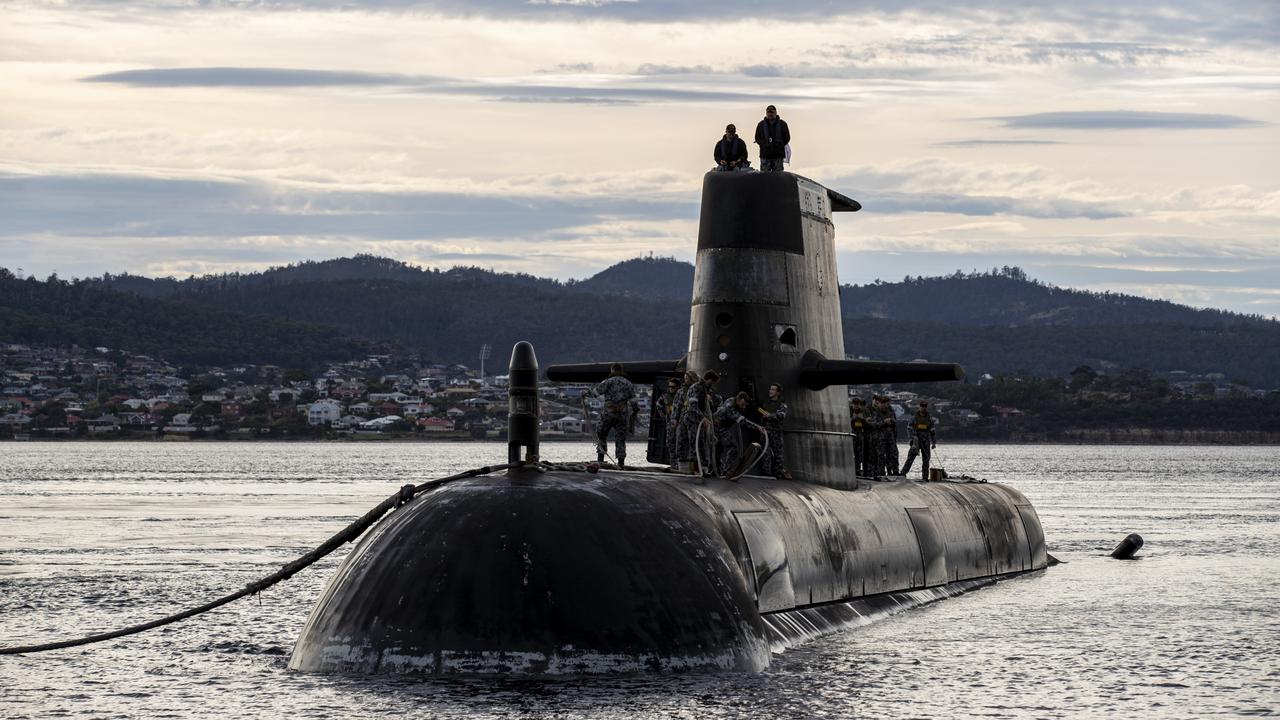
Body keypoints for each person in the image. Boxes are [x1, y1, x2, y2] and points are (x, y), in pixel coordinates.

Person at [588, 363, 635, 468]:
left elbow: (595, 393)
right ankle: (621, 462)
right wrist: (634, 413)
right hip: (622, 415)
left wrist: (586, 393)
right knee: (620, 438)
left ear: (612, 370)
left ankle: (601, 458)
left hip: (608, 413)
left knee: (602, 434)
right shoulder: (628, 384)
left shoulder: (608, 382)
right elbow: (634, 403)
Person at [678, 370, 720, 474]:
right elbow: (693, 406)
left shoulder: (705, 389)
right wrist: (703, 418)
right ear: (709, 380)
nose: (713, 385)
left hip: (698, 420)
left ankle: (703, 467)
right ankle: (695, 469)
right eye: (713, 382)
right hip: (691, 419)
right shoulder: (696, 387)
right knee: (694, 443)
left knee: (701, 443)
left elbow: (707, 408)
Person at [714, 391, 755, 476]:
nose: (743, 407)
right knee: (733, 447)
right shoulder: (730, 406)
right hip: (718, 428)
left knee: (718, 449)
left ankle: (715, 469)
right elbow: (741, 420)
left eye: (745, 405)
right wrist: (757, 427)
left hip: (720, 428)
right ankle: (726, 471)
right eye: (742, 404)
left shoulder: (733, 401)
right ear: (738, 400)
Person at [757, 383, 790, 480]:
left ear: (778, 392)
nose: (770, 391)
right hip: (765, 431)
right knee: (765, 452)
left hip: (776, 432)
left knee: (777, 453)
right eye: (770, 389)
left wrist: (770, 415)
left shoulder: (782, 405)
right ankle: (766, 472)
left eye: (773, 390)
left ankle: (778, 472)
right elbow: (760, 411)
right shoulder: (766, 403)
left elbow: (781, 415)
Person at [901, 401, 937, 480]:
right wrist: (911, 438)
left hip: (926, 441)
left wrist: (934, 442)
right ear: (919, 407)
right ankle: (903, 473)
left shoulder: (929, 419)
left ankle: (925, 477)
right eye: (922, 406)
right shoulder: (914, 418)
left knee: (926, 459)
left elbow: (933, 431)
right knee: (911, 457)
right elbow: (909, 428)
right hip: (916, 440)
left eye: (924, 406)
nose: (923, 408)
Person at [671, 371, 698, 469]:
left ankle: (695, 463)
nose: (685, 380)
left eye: (687, 378)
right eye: (685, 378)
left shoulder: (698, 390)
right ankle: (681, 463)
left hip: (695, 419)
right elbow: (677, 406)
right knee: (681, 440)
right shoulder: (681, 391)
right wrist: (675, 419)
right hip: (683, 418)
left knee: (694, 440)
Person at [754, 105, 790, 172]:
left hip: (778, 156)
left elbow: (787, 138)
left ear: (776, 113)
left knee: (778, 176)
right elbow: (757, 138)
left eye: (772, 112)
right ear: (766, 113)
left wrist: (779, 144)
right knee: (764, 177)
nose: (770, 114)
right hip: (765, 155)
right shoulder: (761, 125)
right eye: (769, 112)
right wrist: (763, 144)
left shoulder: (783, 124)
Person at [654, 377, 681, 466]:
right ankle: (673, 463)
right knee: (670, 443)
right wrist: (664, 416)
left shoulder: (681, 396)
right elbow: (658, 404)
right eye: (669, 386)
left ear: (678, 387)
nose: (670, 388)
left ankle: (680, 463)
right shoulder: (665, 397)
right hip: (670, 423)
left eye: (673, 387)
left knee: (680, 443)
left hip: (681, 424)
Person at [880, 397, 901, 475]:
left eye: (888, 403)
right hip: (881, 436)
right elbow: (875, 423)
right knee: (882, 454)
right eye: (885, 403)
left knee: (893, 454)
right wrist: (884, 422)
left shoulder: (891, 411)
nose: (887, 405)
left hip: (891, 436)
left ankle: (894, 471)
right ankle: (883, 471)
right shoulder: (878, 412)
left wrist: (890, 421)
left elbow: (894, 422)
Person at [850, 397, 869, 476]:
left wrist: (863, 420)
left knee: (859, 454)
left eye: (858, 405)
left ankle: (857, 470)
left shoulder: (863, 412)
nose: (857, 406)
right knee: (852, 453)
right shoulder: (849, 412)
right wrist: (853, 419)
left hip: (860, 435)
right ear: (853, 405)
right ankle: (851, 469)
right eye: (855, 405)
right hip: (852, 435)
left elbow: (867, 425)